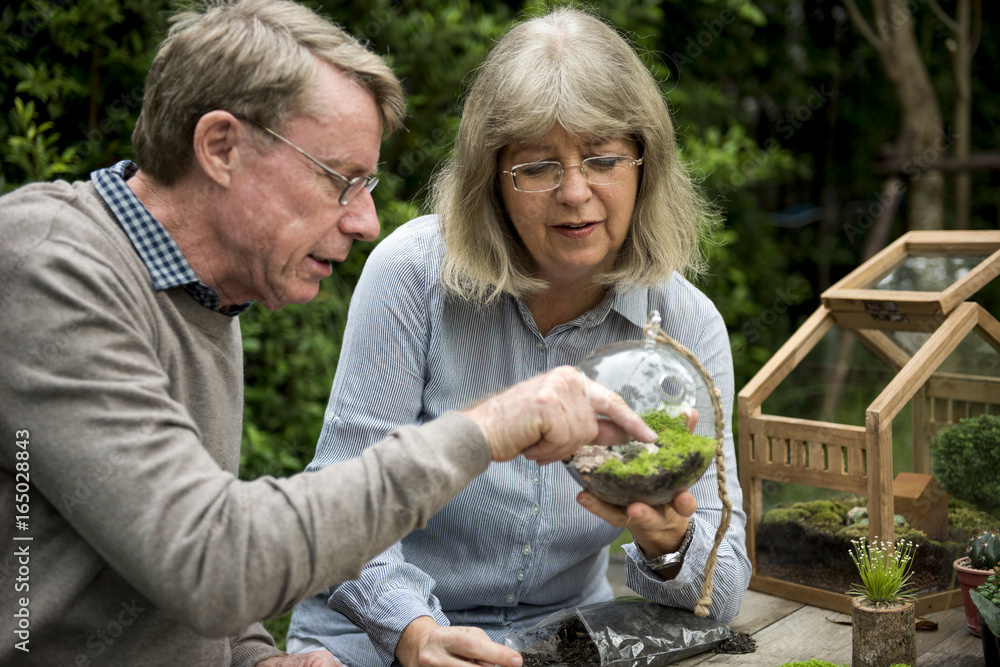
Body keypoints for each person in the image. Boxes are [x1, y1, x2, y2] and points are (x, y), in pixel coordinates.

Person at [0, 2, 657, 666]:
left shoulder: (202, 300)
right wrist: (485, 428)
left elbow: (166, 560)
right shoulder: (47, 270)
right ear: (222, 147)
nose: (366, 221)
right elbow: (212, 561)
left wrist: (258, 656)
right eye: (342, 180)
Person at [287, 7, 751, 667]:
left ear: (643, 164)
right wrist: (415, 631)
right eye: (538, 166)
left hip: (559, 643)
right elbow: (339, 500)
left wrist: (667, 544)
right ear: (492, 179)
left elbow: (724, 584)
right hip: (375, 638)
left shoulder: (685, 324)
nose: (574, 192)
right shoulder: (411, 274)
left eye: (602, 158)